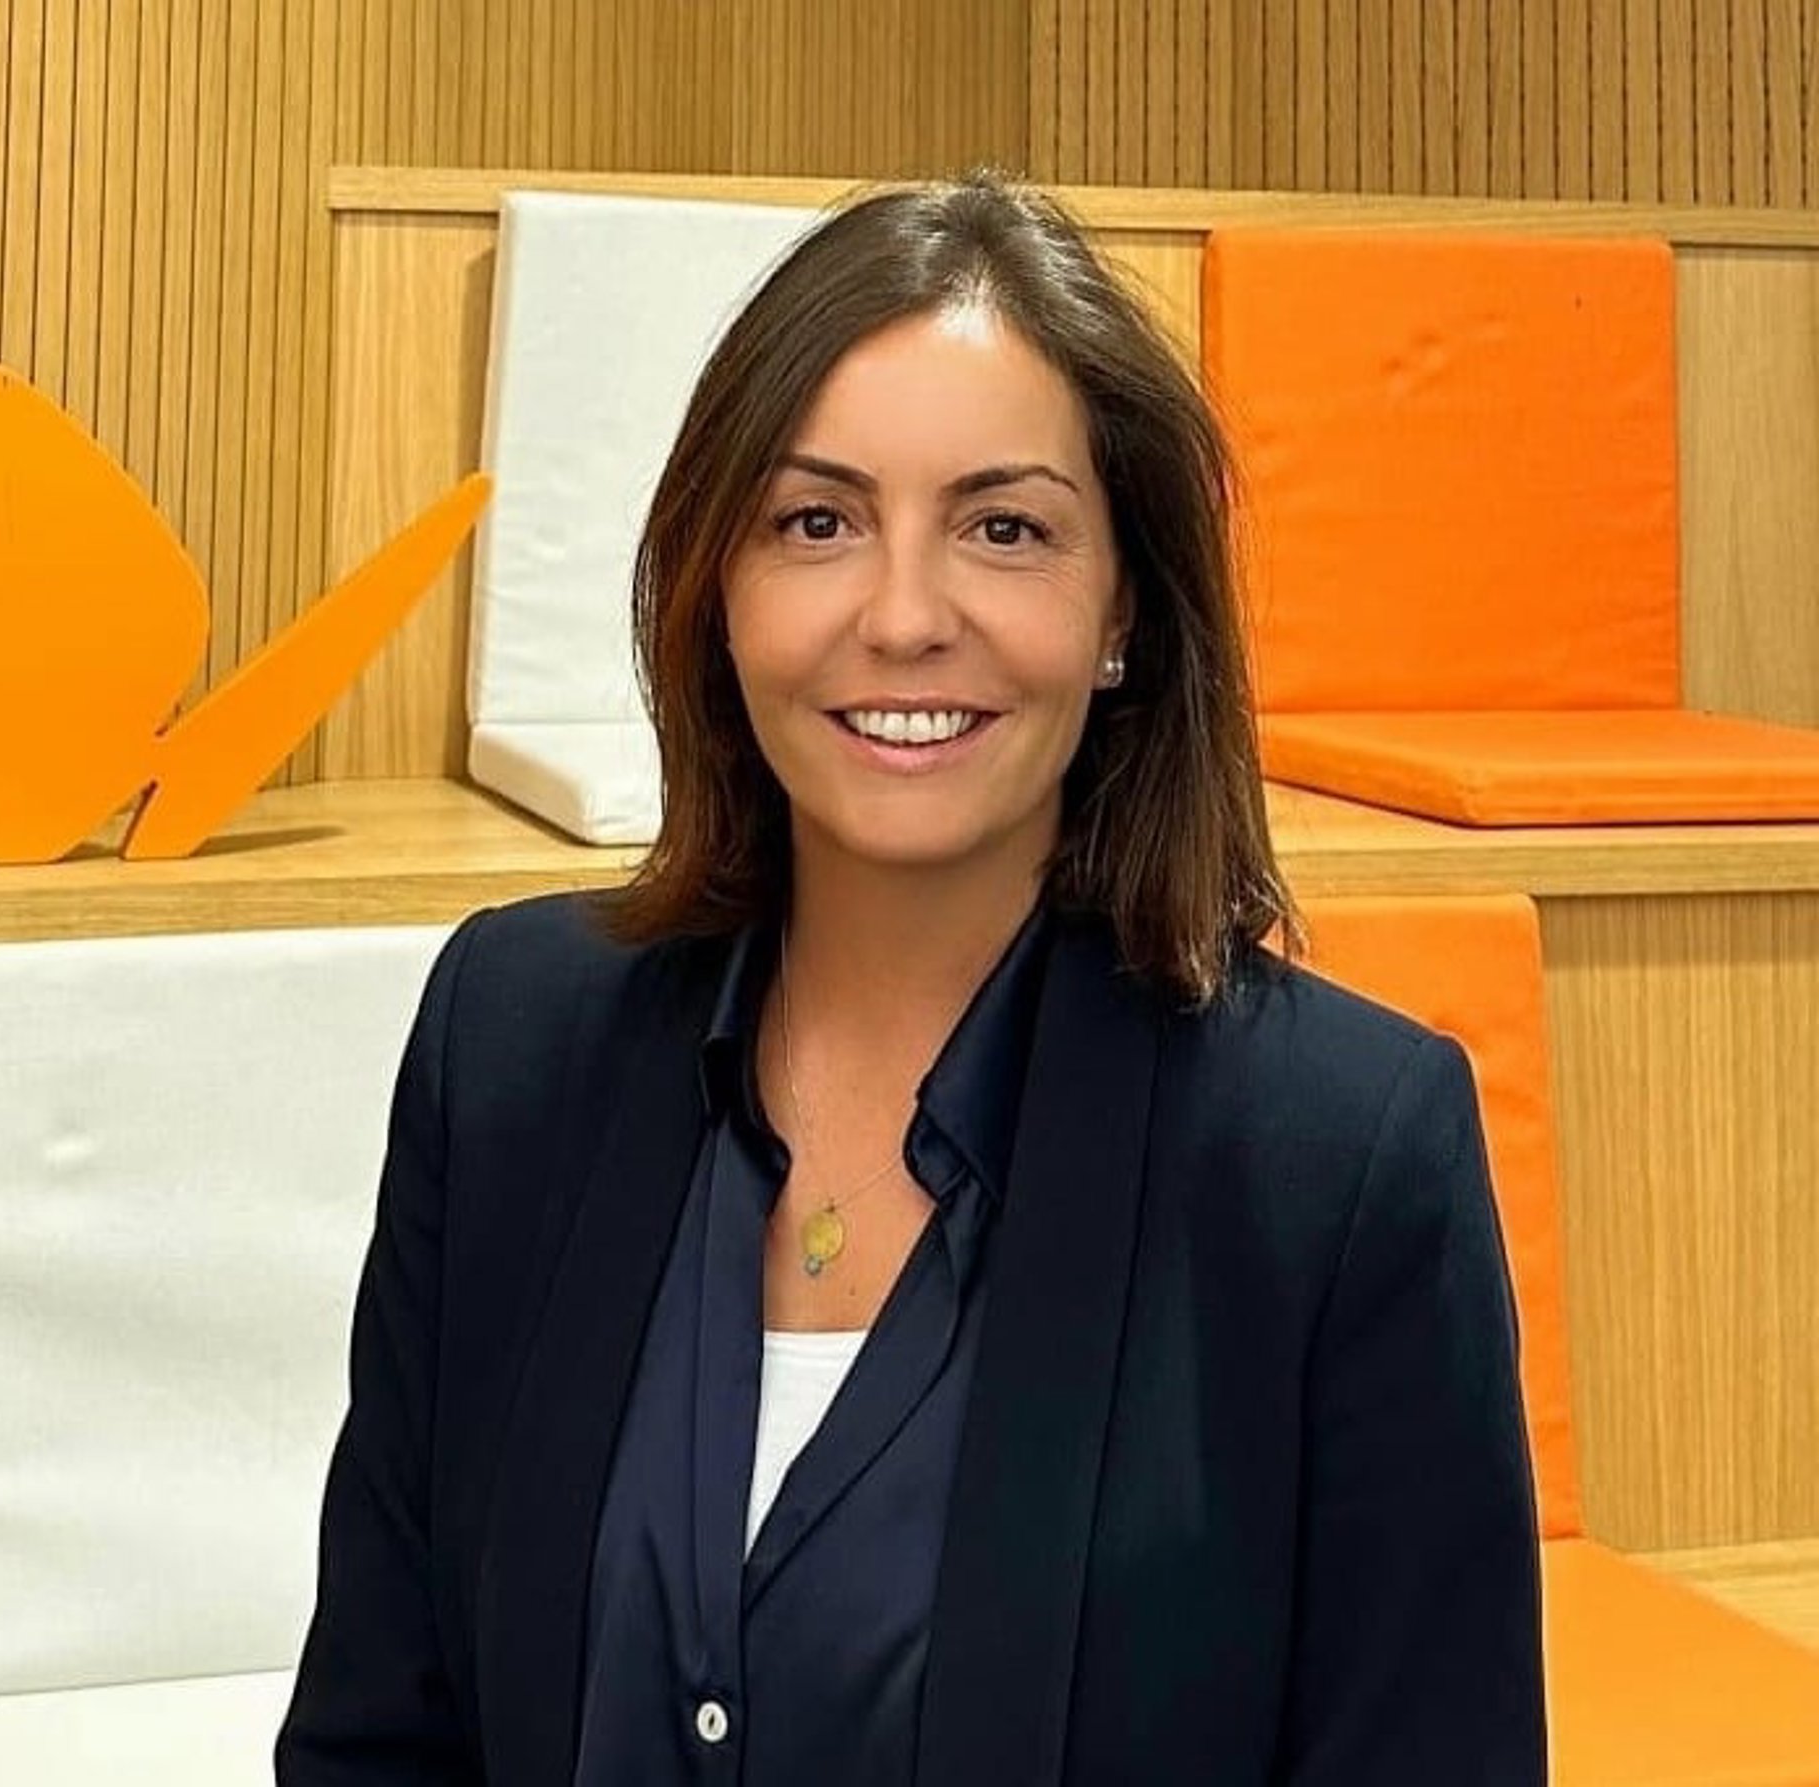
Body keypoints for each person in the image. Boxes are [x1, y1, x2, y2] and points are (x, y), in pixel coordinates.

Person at [277, 173, 1546, 1785]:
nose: (901, 617)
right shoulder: (510, 1042)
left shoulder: (1343, 1164)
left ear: (1123, 609)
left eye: (1004, 529)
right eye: (816, 523)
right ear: (716, 589)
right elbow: (378, 1739)